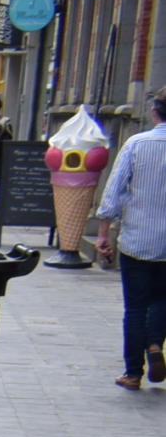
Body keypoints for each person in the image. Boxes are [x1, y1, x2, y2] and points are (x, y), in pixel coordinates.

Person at [94, 89, 166, 390]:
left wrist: (103, 232)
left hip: (138, 239)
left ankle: (133, 372)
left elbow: (114, 191)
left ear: (154, 112)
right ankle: (154, 344)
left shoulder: (137, 144)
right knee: (163, 299)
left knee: (135, 306)